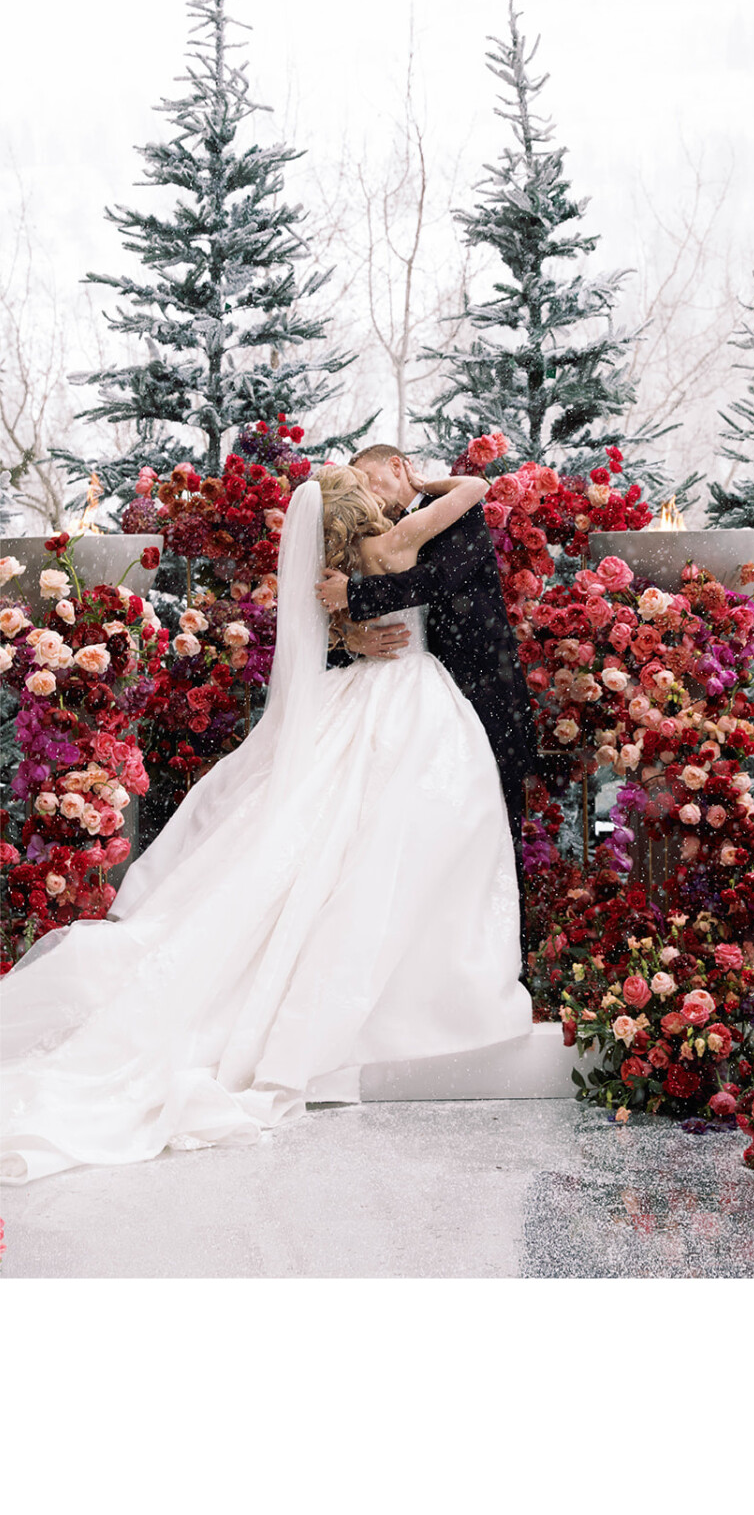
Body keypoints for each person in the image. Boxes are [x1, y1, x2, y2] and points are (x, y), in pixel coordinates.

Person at [0, 470, 531, 1183]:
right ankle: (418, 993)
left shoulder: (336, 570)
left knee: (343, 832)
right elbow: (474, 491)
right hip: (413, 699)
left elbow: (339, 629)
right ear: (368, 509)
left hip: (363, 692)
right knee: (413, 837)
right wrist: (437, 481)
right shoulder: (399, 540)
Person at [317, 445, 542, 854]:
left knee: (490, 817)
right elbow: (322, 612)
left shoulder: (454, 511)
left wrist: (354, 595)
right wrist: (352, 635)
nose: (369, 490)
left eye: (370, 478)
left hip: (481, 682)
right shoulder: (369, 533)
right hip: (403, 697)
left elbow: (439, 580)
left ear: (397, 465)